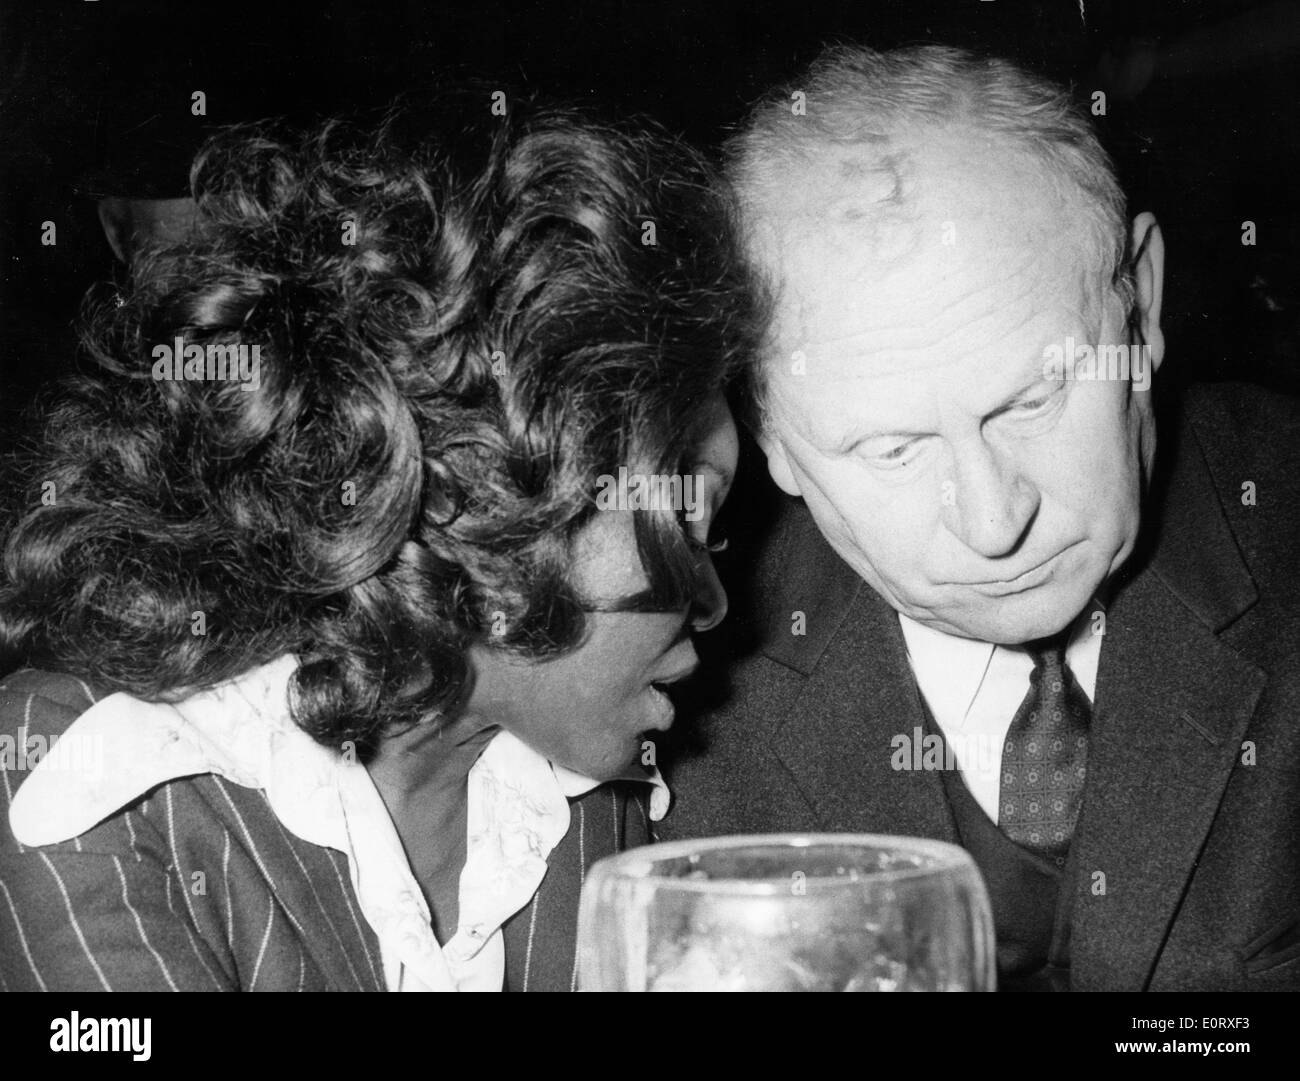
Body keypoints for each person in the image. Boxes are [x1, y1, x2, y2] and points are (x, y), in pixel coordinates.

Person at [0, 98, 753, 991]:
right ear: (479, 505)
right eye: (687, 519)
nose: (714, 601)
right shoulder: (94, 775)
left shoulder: (585, 790)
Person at [662, 44, 1300, 992]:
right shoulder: (655, 690)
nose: (995, 521)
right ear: (772, 439)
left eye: (1034, 400)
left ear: (1143, 302)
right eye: (893, 449)